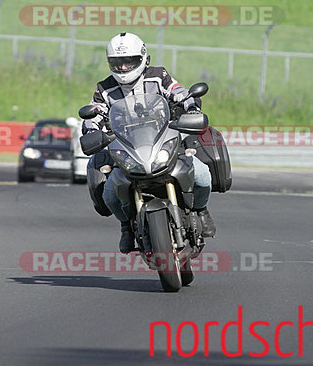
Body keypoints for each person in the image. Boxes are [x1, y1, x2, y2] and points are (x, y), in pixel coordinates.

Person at [82, 32, 215, 253]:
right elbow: (94, 111)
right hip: (127, 148)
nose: (124, 68)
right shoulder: (104, 89)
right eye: (117, 63)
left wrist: (191, 106)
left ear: (142, 58)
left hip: (163, 140)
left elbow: (178, 91)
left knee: (201, 175)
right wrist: (91, 128)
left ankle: (201, 211)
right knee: (109, 194)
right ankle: (126, 226)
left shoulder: (158, 75)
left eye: (129, 62)